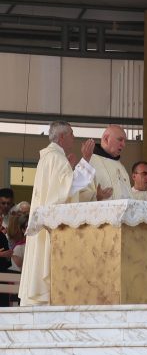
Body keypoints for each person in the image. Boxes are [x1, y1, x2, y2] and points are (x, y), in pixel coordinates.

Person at [19, 121, 96, 306]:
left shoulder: (50, 157)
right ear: (62, 137)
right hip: (51, 228)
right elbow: (66, 189)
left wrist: (71, 167)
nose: (74, 137)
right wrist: (85, 160)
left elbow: (60, 187)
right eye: (71, 133)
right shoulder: (55, 158)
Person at [79, 124, 130, 202]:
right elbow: (79, 193)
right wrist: (96, 196)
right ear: (106, 139)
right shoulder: (90, 161)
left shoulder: (121, 166)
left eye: (124, 141)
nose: (123, 145)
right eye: (120, 140)